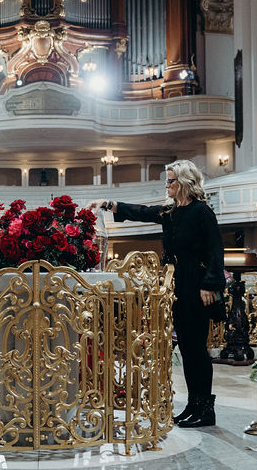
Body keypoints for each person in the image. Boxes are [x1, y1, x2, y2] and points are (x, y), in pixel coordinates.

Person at [87, 159, 225, 428]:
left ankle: (206, 410)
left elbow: (215, 250)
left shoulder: (202, 212)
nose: (166, 185)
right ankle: (193, 406)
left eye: (170, 180)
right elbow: (141, 211)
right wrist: (108, 204)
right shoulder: (171, 212)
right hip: (177, 287)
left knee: (197, 349)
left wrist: (210, 285)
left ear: (184, 182)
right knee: (186, 349)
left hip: (198, 287)